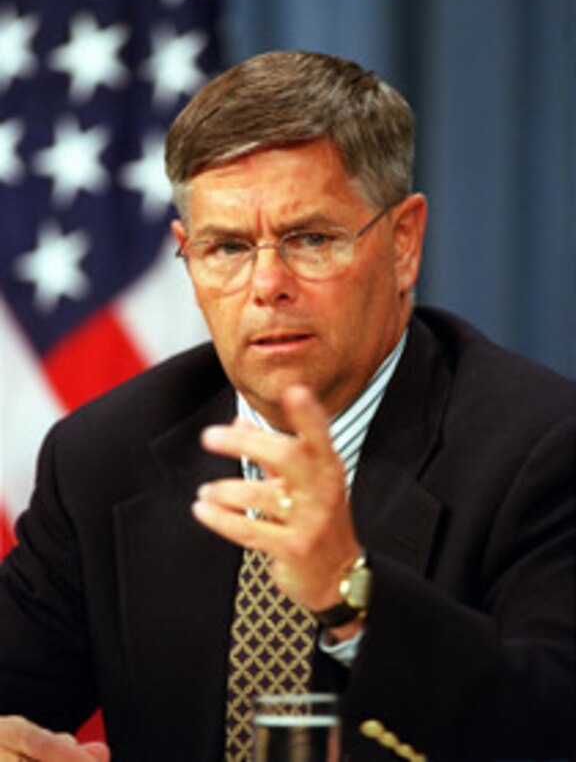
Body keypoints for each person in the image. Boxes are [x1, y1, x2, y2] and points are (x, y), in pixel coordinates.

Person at [0, 51, 574, 762]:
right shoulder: (104, 454)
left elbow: (551, 727)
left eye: (311, 239)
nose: (266, 283)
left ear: (403, 243)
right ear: (187, 253)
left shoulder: (542, 448)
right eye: (228, 247)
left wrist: (350, 591)